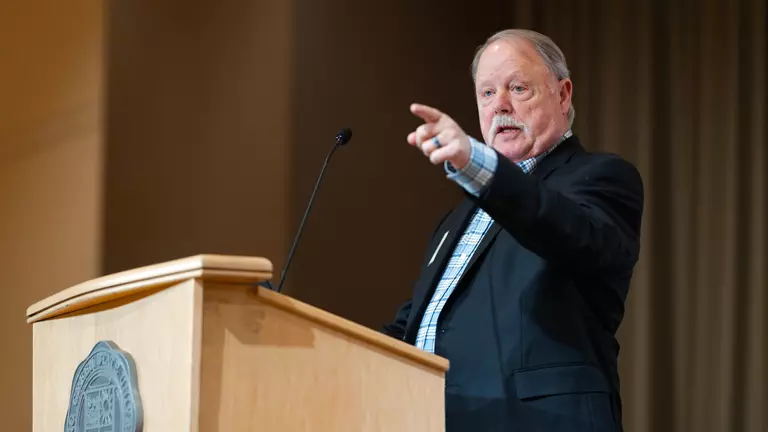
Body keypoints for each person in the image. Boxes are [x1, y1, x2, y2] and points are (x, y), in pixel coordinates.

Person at [382, 29, 643, 432]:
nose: (499, 104)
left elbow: (562, 228)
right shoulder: (457, 219)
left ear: (563, 94)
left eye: (517, 88)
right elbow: (414, 326)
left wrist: (478, 166)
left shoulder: (601, 178)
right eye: (486, 93)